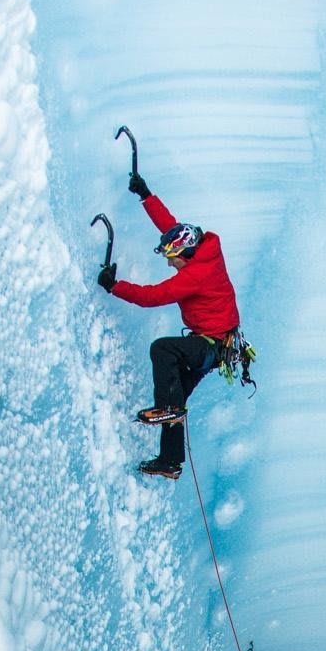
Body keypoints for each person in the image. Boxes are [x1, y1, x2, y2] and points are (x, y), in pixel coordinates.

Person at [97, 164, 254, 480]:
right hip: (219, 346)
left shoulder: (194, 275)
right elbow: (170, 227)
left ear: (185, 255)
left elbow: (152, 297)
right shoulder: (203, 250)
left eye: (172, 258)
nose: (169, 262)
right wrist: (145, 196)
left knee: (163, 351)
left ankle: (169, 412)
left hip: (211, 346)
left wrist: (114, 287)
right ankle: (170, 461)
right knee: (174, 397)